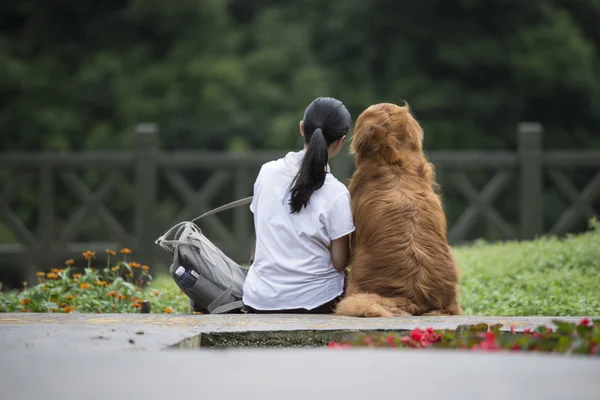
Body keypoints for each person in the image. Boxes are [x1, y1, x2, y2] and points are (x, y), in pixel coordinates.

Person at [242, 97, 355, 314]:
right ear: (341, 141)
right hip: (318, 302)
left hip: (260, 300)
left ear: (302, 128)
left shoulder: (266, 172)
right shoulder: (337, 193)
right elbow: (340, 262)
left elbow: (259, 239)